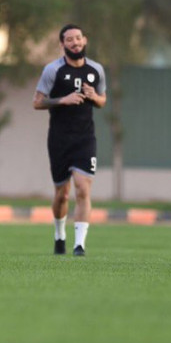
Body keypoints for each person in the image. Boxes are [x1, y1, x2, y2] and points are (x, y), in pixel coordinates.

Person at [32, 24, 107, 257]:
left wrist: (94, 96)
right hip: (59, 139)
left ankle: (79, 245)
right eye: (69, 39)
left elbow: (102, 100)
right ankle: (59, 235)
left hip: (85, 138)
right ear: (62, 44)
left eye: (78, 38)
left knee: (82, 189)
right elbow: (37, 102)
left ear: (85, 40)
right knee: (62, 194)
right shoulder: (53, 70)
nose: (75, 43)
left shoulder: (96, 69)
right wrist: (62, 100)